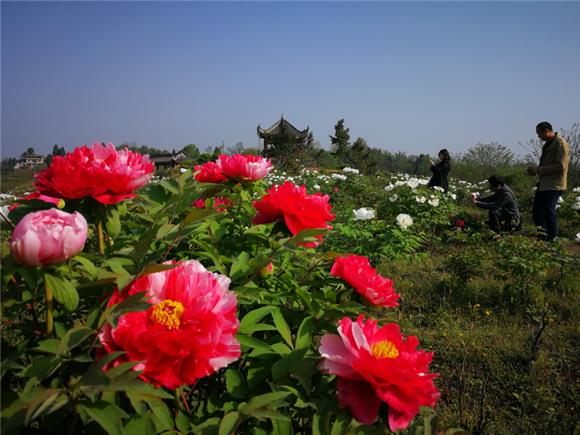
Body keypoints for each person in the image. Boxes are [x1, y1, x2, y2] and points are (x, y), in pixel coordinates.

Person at [527, 122, 570, 241]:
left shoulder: (560, 144)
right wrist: (536, 171)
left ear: (546, 131)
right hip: (544, 184)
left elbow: (560, 166)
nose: (538, 137)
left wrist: (538, 170)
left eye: (539, 133)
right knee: (537, 212)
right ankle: (542, 236)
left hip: (555, 185)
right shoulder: (548, 144)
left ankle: (552, 239)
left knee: (549, 212)